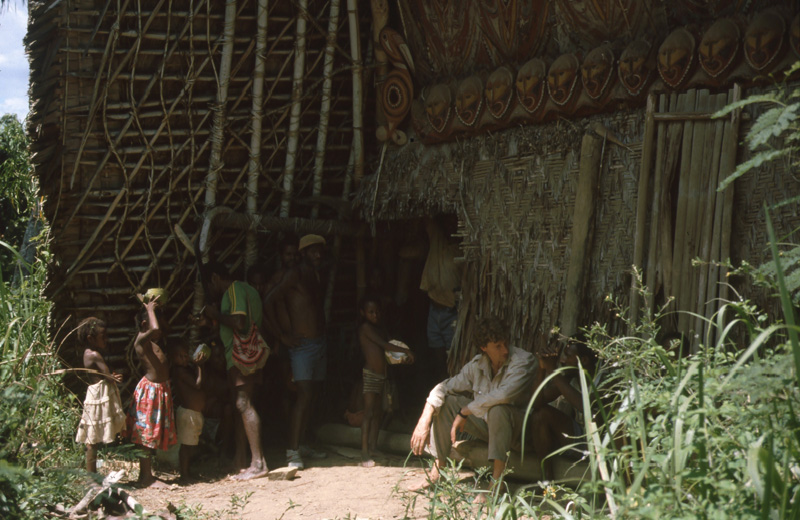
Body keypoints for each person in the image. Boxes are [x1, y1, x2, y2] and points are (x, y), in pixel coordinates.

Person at [410, 316, 536, 486]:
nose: (505, 350)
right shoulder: (477, 366)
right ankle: (438, 468)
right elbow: (444, 387)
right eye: (498, 346)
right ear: (484, 347)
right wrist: (424, 420)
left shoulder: (523, 360)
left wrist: (465, 411)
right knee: (447, 402)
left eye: (506, 343)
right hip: (490, 430)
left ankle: (496, 483)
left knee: (498, 409)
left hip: (521, 434)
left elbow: (504, 395)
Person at [263, 234, 328, 469]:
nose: (318, 254)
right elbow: (268, 301)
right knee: (303, 396)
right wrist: (281, 336)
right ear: (303, 253)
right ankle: (292, 452)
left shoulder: (316, 274)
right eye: (313, 251)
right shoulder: (294, 274)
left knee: (312, 396)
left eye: (320, 250)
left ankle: (301, 444)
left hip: (318, 343)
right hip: (302, 346)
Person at [202, 261, 269, 480]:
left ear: (215, 278)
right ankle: (241, 460)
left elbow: (239, 323)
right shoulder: (245, 290)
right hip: (245, 355)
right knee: (242, 405)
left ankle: (258, 463)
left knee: (243, 404)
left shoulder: (234, 289)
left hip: (242, 356)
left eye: (209, 285)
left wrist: (215, 314)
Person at [528, 335, 599, 478]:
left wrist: (552, 370)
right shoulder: (569, 378)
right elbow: (536, 403)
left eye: (568, 356)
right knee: (540, 415)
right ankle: (547, 481)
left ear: (584, 360)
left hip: (599, 442)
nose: (562, 360)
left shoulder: (602, 379)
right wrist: (542, 368)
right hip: (579, 438)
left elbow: (585, 407)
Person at [357, 294, 414, 467]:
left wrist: (402, 358)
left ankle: (373, 447)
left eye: (377, 312)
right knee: (368, 413)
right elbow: (385, 345)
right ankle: (364, 452)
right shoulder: (365, 328)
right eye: (371, 312)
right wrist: (407, 351)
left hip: (382, 376)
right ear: (363, 313)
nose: (375, 315)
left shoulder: (379, 329)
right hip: (370, 375)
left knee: (378, 413)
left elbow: (388, 353)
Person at [129, 300, 177, 488]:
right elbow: (155, 327)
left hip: (159, 390)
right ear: (144, 324)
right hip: (150, 392)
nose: (158, 328)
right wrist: (149, 309)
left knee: (150, 434)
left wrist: (157, 312)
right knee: (145, 435)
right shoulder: (141, 340)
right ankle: (146, 477)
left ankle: (146, 476)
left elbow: (162, 327)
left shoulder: (152, 341)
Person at [75, 317, 126, 473]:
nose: (106, 339)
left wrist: (110, 377)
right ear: (91, 338)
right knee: (92, 438)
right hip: (97, 396)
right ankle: (91, 475)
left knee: (93, 437)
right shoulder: (94, 355)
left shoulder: (87, 353)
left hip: (95, 394)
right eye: (102, 336)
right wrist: (115, 378)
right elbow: (108, 377)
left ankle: (92, 473)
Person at [420, 215, 463, 379]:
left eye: (454, 225)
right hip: (434, 311)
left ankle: (452, 386)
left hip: (451, 312)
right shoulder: (437, 242)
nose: (450, 227)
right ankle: (441, 388)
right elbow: (429, 220)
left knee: (452, 356)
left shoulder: (462, 250)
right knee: (437, 357)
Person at [169, 341, 206, 483]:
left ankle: (187, 472)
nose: (184, 359)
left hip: (193, 414)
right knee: (186, 446)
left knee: (190, 445)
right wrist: (200, 366)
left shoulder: (185, 369)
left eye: (185, 356)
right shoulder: (179, 371)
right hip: (188, 414)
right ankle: (184, 475)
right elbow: (197, 384)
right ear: (172, 358)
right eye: (180, 356)